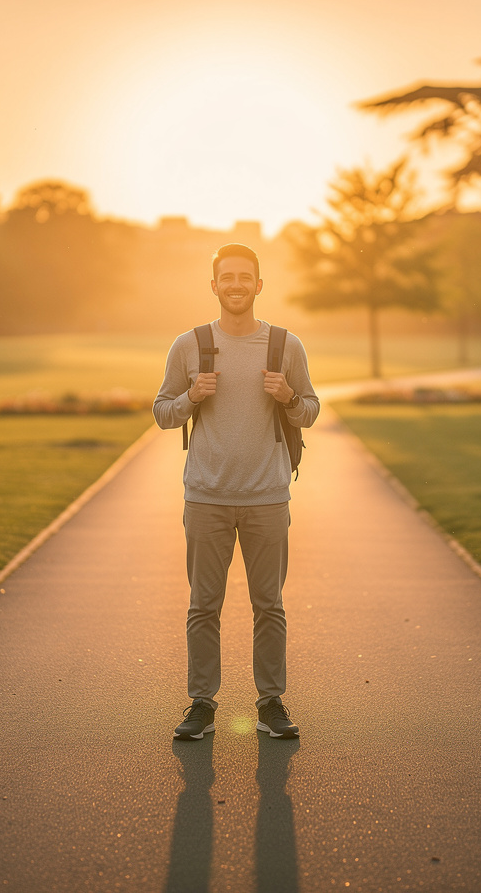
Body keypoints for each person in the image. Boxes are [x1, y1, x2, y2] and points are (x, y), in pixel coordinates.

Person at [153, 243, 319, 741]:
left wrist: (288, 396)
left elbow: (310, 409)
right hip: (206, 496)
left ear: (259, 284)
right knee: (204, 605)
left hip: (268, 497)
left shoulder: (285, 345)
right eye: (227, 277)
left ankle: (270, 702)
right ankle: (201, 703)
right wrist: (191, 396)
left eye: (245, 277)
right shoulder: (190, 344)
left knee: (269, 604)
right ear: (214, 285)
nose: (236, 285)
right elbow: (162, 412)